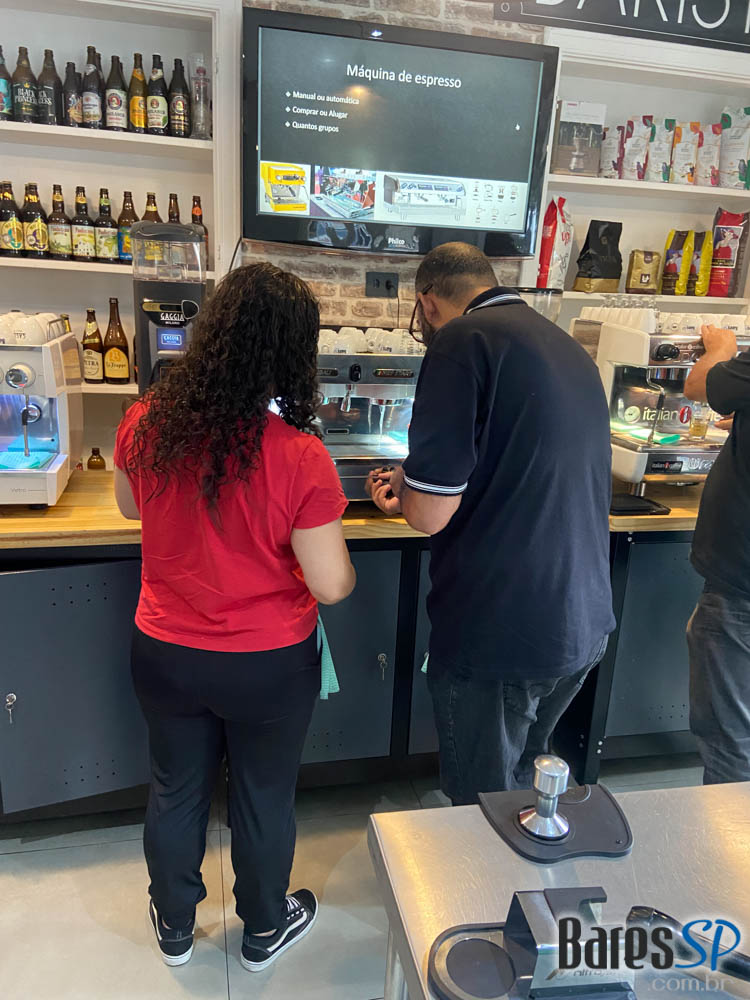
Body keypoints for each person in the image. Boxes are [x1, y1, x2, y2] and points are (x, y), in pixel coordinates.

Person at [114, 263, 355, 970]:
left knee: (175, 788)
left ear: (213, 332)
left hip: (165, 650)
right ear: (294, 353)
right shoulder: (301, 457)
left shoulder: (146, 424)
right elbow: (331, 585)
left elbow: (129, 508)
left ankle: (175, 926)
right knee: (263, 797)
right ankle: (262, 931)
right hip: (268, 663)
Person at [369, 242, 615, 805]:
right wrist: (419, 478)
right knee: (524, 785)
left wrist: (406, 497)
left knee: (482, 807)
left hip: (502, 631)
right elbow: (520, 462)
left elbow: (429, 516)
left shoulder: (461, 340)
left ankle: (486, 863)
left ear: (427, 302)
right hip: (581, 621)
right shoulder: (563, 342)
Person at [684, 324, 750, 784]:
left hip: (741, 585)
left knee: (730, 737)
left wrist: (721, 349)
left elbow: (698, 385)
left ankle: (729, 823)